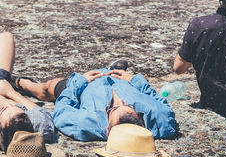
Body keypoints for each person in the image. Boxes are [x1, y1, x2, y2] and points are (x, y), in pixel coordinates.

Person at [12, 59, 176, 141]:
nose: (120, 102)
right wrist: (134, 80)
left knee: (48, 88)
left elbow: (61, 109)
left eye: (114, 108)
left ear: (107, 130)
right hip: (122, 81)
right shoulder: (162, 121)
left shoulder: (84, 124)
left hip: (84, 86)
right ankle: (115, 70)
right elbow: (158, 100)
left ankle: (20, 82)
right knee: (120, 76)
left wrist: (79, 83)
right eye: (130, 106)